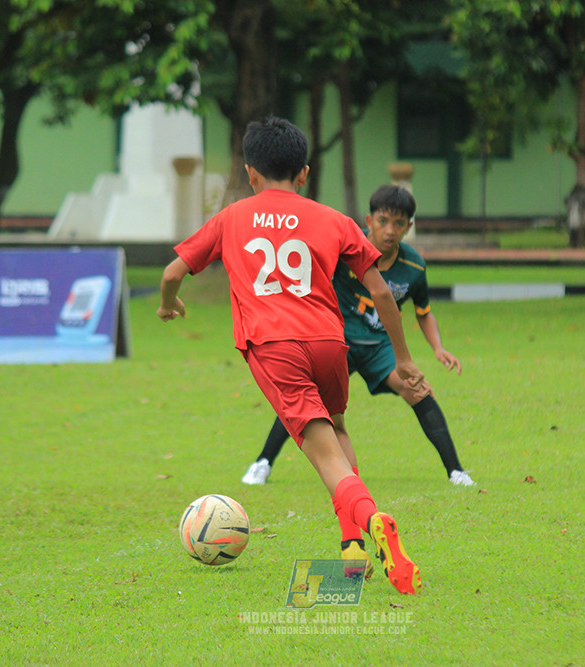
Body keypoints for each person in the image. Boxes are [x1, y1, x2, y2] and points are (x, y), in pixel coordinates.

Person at [157, 117, 424, 595]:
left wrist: (166, 303)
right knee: (338, 431)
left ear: (250, 173)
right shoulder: (333, 219)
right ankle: (352, 546)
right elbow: (382, 293)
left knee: (326, 458)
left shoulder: (232, 217)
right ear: (304, 173)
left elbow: (173, 272)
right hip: (328, 344)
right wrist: (403, 359)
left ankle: (373, 521)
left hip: (275, 348)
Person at [242, 184, 475, 488]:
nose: (390, 230)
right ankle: (263, 462)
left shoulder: (414, 266)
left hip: (380, 346)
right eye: (383, 221)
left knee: (418, 391)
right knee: (307, 399)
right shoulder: (344, 252)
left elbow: (424, 311)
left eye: (399, 223)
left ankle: (456, 471)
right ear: (369, 220)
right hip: (337, 341)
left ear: (409, 227)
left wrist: (438, 348)